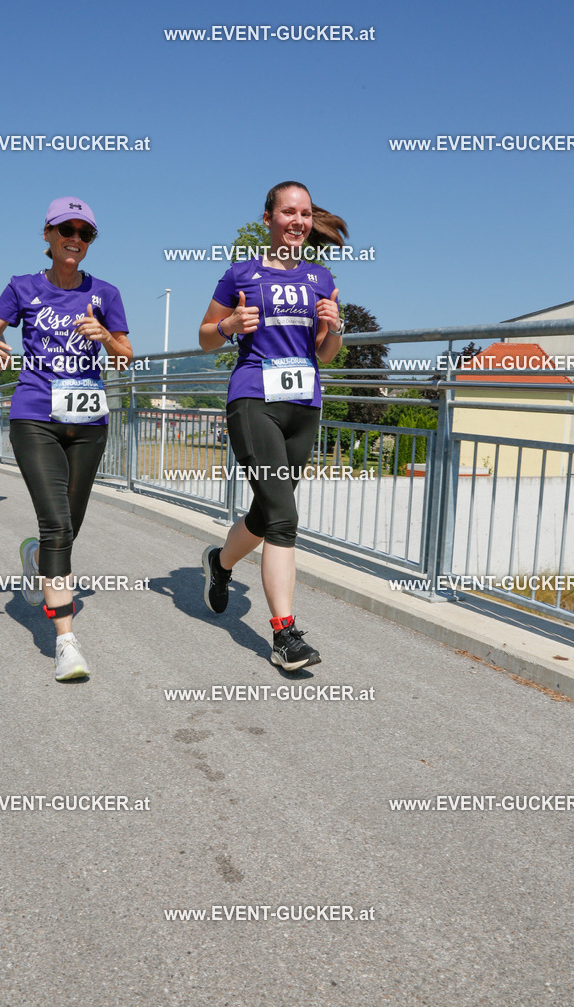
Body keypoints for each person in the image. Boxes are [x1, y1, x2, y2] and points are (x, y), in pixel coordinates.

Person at [0, 197, 132, 682]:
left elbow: (125, 356)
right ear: (47, 234)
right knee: (57, 523)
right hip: (35, 415)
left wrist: (104, 336)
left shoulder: (106, 292)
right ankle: (65, 641)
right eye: (67, 229)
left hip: (88, 422)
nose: (75, 239)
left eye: (85, 233)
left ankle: (37, 560)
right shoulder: (22, 287)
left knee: (70, 526)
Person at [199, 181, 345, 670]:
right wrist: (229, 326)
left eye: (304, 214)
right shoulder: (240, 273)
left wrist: (335, 327)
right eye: (288, 212)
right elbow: (204, 337)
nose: (298, 221)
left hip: (303, 405)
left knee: (268, 512)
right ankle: (285, 636)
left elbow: (323, 354)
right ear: (268, 219)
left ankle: (219, 564)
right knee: (284, 517)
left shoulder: (321, 278)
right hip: (254, 400)